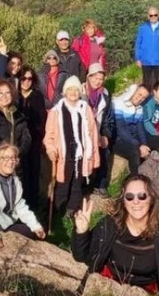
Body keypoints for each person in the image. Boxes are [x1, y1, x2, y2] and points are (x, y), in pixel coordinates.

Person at [72, 175, 159, 296]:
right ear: (123, 201)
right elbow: (82, 256)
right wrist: (81, 232)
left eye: (142, 196)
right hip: (108, 285)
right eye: (129, 197)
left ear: (151, 199)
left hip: (147, 293)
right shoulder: (109, 225)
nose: (136, 201)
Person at [44, 76, 100, 220]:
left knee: (77, 183)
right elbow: (49, 136)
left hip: (81, 154)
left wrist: (93, 153)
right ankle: (58, 211)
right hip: (64, 154)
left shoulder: (85, 108)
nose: (73, 93)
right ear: (65, 92)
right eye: (70, 90)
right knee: (62, 184)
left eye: (76, 90)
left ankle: (72, 209)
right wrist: (51, 149)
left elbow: (92, 132)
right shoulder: (56, 111)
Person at [16, 65, 48, 209]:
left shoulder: (37, 96)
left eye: (29, 79)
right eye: (23, 78)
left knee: (34, 170)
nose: (26, 82)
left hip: (34, 139)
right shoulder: (14, 96)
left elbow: (42, 119)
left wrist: (39, 137)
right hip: (18, 140)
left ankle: (33, 202)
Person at [0, 80, 32, 169]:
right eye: (0, 93)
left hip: (17, 161)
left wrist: (18, 153)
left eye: (7, 93)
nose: (4, 96)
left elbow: (26, 138)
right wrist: (4, 154)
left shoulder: (19, 115)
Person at [85, 63, 116, 196]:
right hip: (83, 133)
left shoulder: (105, 95)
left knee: (105, 151)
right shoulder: (80, 92)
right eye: (95, 78)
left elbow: (108, 118)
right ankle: (83, 186)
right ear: (89, 77)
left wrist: (105, 134)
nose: (98, 82)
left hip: (98, 131)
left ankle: (100, 184)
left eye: (101, 79)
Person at [113, 83, 151, 176]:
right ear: (133, 92)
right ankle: (135, 179)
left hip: (132, 138)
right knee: (135, 150)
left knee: (156, 141)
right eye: (139, 94)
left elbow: (140, 128)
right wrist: (138, 145)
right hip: (117, 139)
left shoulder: (139, 108)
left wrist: (144, 144)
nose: (140, 98)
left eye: (144, 98)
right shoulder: (118, 103)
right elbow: (121, 130)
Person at [134, 6, 159, 89]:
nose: (153, 17)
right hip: (146, 61)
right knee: (146, 84)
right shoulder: (142, 28)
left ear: (158, 15)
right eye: (151, 15)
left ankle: (158, 101)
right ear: (148, 16)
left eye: (155, 15)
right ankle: (147, 101)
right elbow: (138, 44)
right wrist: (138, 58)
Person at [142, 80, 159, 152]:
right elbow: (146, 122)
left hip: (155, 131)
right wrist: (157, 134)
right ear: (154, 92)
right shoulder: (148, 104)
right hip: (146, 133)